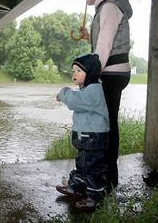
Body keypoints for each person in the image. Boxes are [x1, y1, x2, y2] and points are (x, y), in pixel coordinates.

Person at [79, 0, 133, 191]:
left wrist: (91, 75)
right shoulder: (107, 6)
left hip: (111, 73)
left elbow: (105, 45)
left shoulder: (109, 7)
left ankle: (107, 177)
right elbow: (103, 40)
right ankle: (106, 175)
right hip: (114, 72)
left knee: (107, 124)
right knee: (106, 121)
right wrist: (87, 37)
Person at [55, 53, 109, 211]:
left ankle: (94, 197)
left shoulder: (94, 90)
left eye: (79, 70)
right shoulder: (88, 89)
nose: (74, 73)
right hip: (86, 137)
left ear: (90, 72)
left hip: (93, 138)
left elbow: (74, 100)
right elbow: (77, 100)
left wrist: (63, 93)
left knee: (92, 167)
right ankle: (76, 187)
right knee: (82, 164)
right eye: (73, 70)